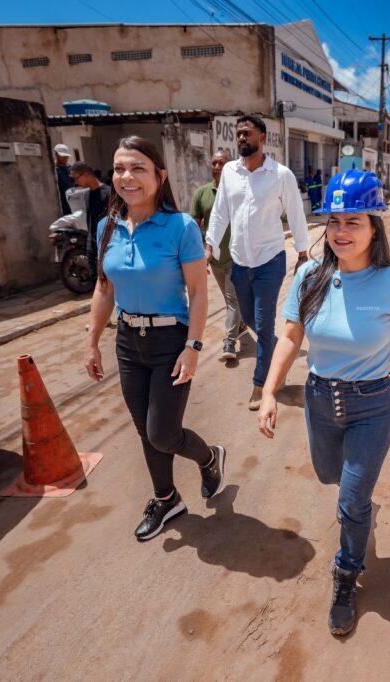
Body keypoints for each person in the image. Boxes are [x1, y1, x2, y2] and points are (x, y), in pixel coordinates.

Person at [257, 169, 390, 637]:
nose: (340, 232)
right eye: (333, 221)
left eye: (353, 222)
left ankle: (346, 573)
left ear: (375, 226)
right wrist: (270, 391)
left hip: (372, 403)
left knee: (352, 500)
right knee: (331, 477)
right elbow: (290, 336)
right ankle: (358, 509)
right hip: (320, 399)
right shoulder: (310, 276)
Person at [83, 136, 227, 541]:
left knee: (163, 432)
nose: (127, 177)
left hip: (170, 342)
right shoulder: (106, 227)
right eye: (119, 169)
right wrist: (92, 339)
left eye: (138, 168)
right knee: (145, 429)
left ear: (160, 176)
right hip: (129, 342)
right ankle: (166, 498)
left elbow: (199, 292)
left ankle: (209, 456)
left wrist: (193, 347)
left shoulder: (181, 227)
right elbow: (104, 288)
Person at [206, 114, 310, 410]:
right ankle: (279, 354)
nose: (241, 138)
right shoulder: (229, 172)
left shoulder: (281, 175)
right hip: (238, 262)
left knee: (263, 324)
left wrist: (302, 253)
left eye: (247, 133)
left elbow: (296, 213)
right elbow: (221, 211)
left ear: (262, 137)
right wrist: (210, 244)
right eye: (238, 134)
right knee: (248, 319)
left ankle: (261, 385)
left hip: (269, 261)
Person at [191, 150, 244, 363]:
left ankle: (229, 341)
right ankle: (239, 324)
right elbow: (195, 226)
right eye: (213, 163)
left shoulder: (238, 191)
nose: (216, 167)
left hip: (237, 257)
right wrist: (198, 254)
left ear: (230, 165)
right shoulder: (202, 193)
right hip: (214, 258)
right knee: (229, 298)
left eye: (221, 163)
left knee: (232, 300)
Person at [70, 162, 112, 281]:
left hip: (106, 245)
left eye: (76, 178)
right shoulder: (86, 195)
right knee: (96, 281)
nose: (75, 182)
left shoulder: (108, 193)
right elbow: (91, 219)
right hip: (92, 246)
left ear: (86, 174)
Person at [53, 144, 75, 215]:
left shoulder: (69, 167)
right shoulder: (54, 170)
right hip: (61, 202)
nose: (65, 158)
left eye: (66, 156)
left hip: (72, 200)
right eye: (62, 156)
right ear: (56, 154)